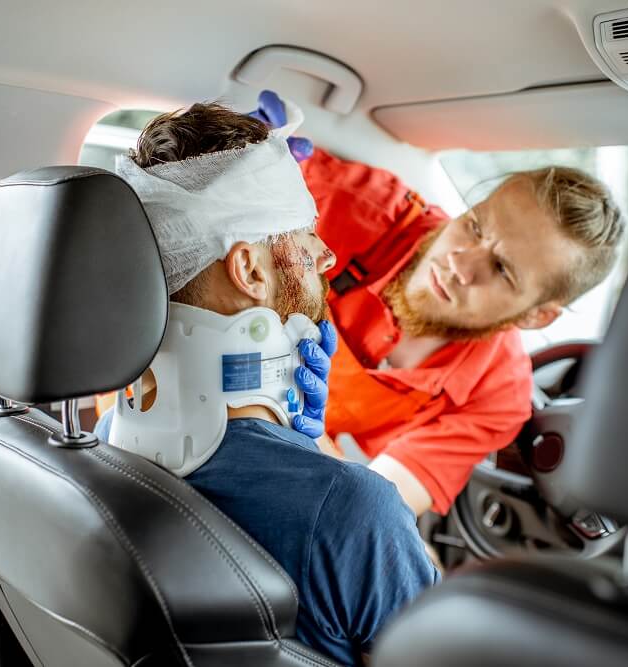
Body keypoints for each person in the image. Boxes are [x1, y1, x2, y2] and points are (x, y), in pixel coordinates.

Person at [96, 102, 439, 666]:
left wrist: (302, 446)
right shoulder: (353, 512)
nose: (325, 257)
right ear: (251, 270)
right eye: (305, 240)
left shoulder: (107, 444)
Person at [250, 92, 624, 518]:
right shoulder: (341, 201)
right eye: (474, 225)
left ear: (537, 316)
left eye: (501, 269)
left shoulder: (497, 393)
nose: (459, 264)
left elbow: (374, 507)